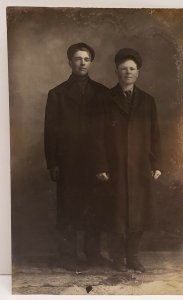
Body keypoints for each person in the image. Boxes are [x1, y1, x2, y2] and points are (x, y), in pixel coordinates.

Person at [96, 48, 162, 272]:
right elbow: (97, 136)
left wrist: (156, 164)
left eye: (132, 69)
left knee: (137, 213)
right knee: (116, 214)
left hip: (139, 167)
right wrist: (101, 165)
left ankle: (133, 257)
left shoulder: (147, 101)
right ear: (116, 71)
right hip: (114, 167)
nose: (128, 72)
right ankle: (117, 258)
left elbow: (154, 135)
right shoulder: (104, 99)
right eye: (123, 69)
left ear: (138, 72)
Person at [44, 42, 108, 270]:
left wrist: (105, 163)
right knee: (68, 208)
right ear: (69, 62)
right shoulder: (57, 94)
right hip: (68, 162)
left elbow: (108, 131)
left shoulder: (102, 93)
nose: (82, 63)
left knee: (94, 208)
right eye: (78, 59)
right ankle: (67, 255)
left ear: (91, 62)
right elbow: (50, 132)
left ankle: (93, 254)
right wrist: (53, 163)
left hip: (94, 162)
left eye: (87, 59)